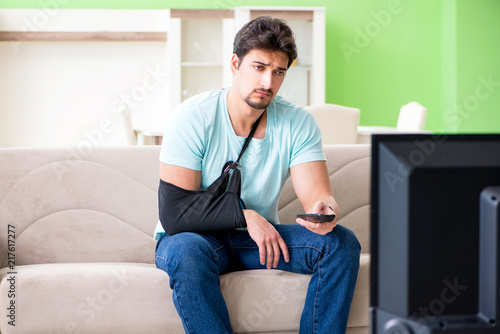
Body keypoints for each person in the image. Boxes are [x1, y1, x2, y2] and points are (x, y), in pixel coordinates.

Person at [154, 16, 361, 334]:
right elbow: (176, 214)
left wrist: (324, 208)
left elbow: (316, 194)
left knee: (340, 243)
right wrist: (245, 215)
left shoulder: (297, 122)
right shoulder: (192, 117)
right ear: (235, 64)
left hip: (256, 242)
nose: (268, 82)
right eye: (259, 67)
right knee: (185, 252)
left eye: (279, 72)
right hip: (195, 238)